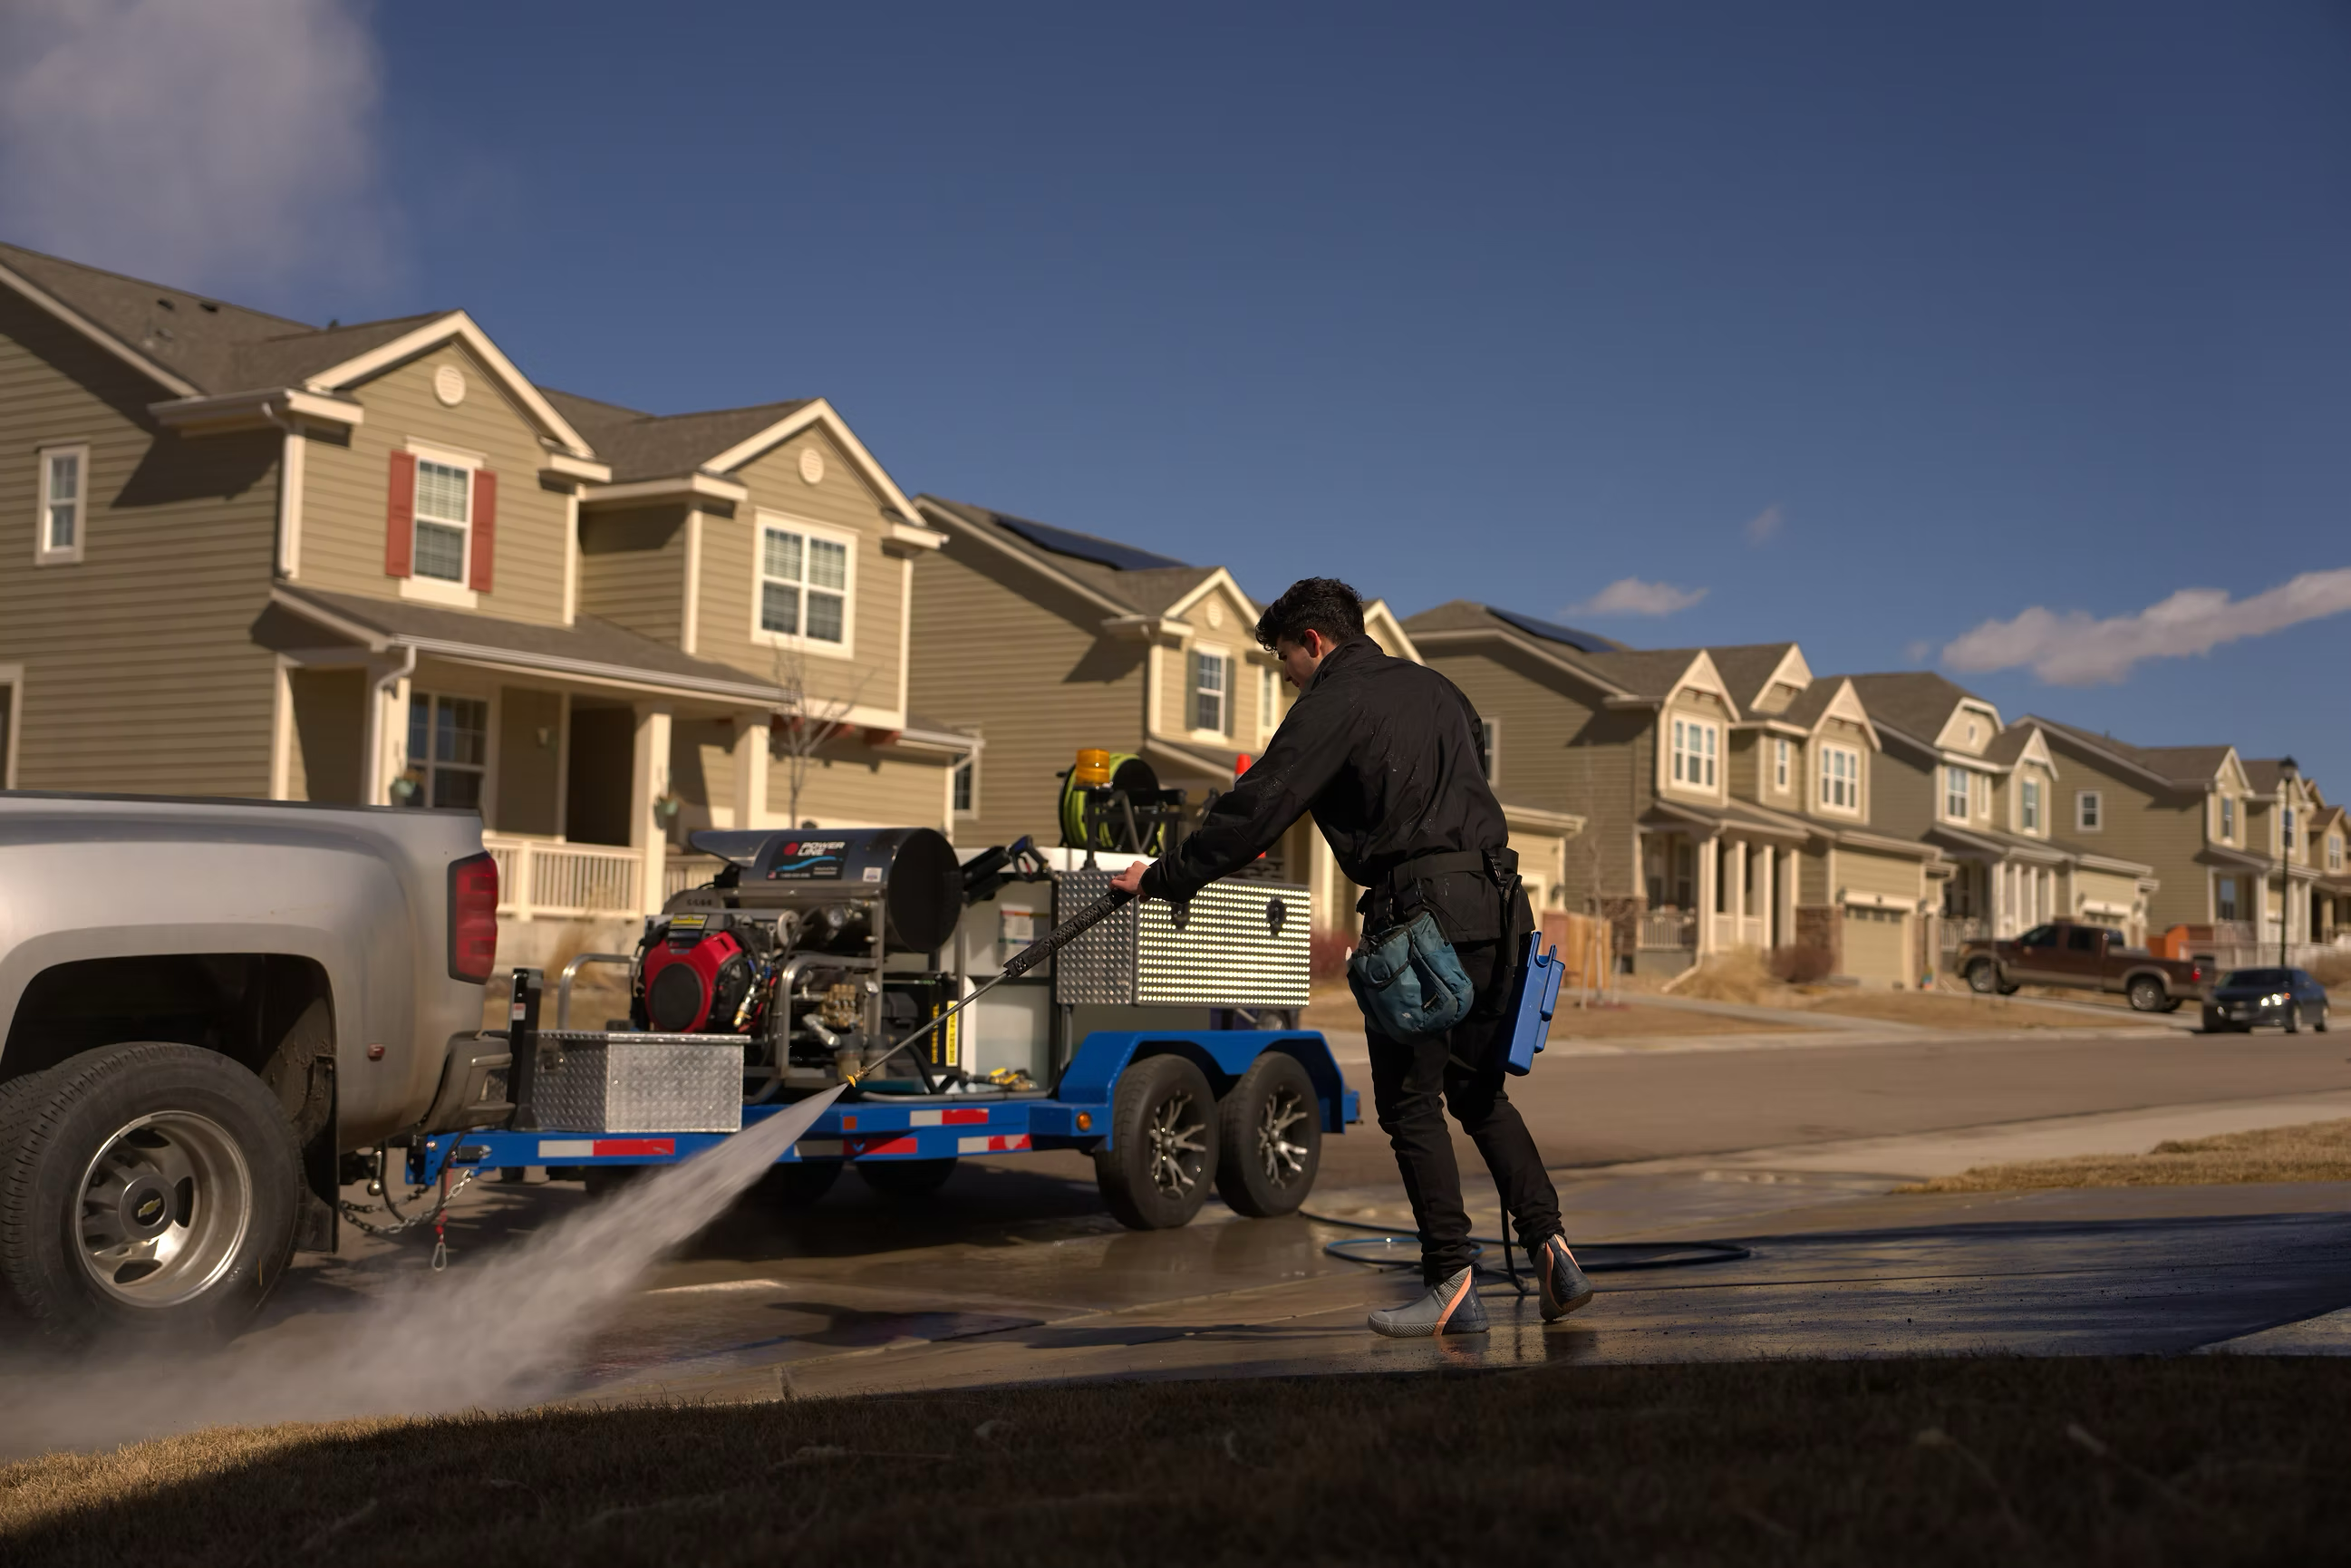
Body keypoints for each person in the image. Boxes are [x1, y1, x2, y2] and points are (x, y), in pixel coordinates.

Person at [1110, 577, 1592, 1337]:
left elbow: (1259, 803)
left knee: (1410, 1104)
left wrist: (1164, 875)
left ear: (1316, 642)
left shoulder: (1335, 701)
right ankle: (1553, 1249)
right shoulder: (1439, 691)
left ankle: (1452, 1282)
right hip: (1499, 909)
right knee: (1479, 1096)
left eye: (1284, 661)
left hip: (1421, 922)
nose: (1287, 678)